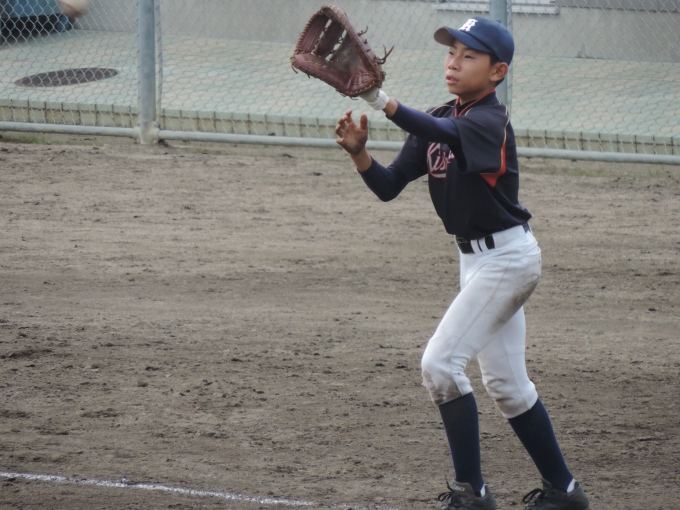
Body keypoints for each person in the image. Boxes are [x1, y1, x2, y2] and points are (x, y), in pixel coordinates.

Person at [335, 17, 590, 510]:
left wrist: (379, 99)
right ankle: (565, 492)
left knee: (439, 364)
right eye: (451, 52)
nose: (453, 61)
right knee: (507, 387)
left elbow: (442, 131)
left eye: (468, 55)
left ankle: (471, 493)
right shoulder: (440, 118)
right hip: (474, 262)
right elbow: (389, 186)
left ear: (498, 72)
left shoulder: (489, 121)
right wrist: (361, 156)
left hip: (508, 260)